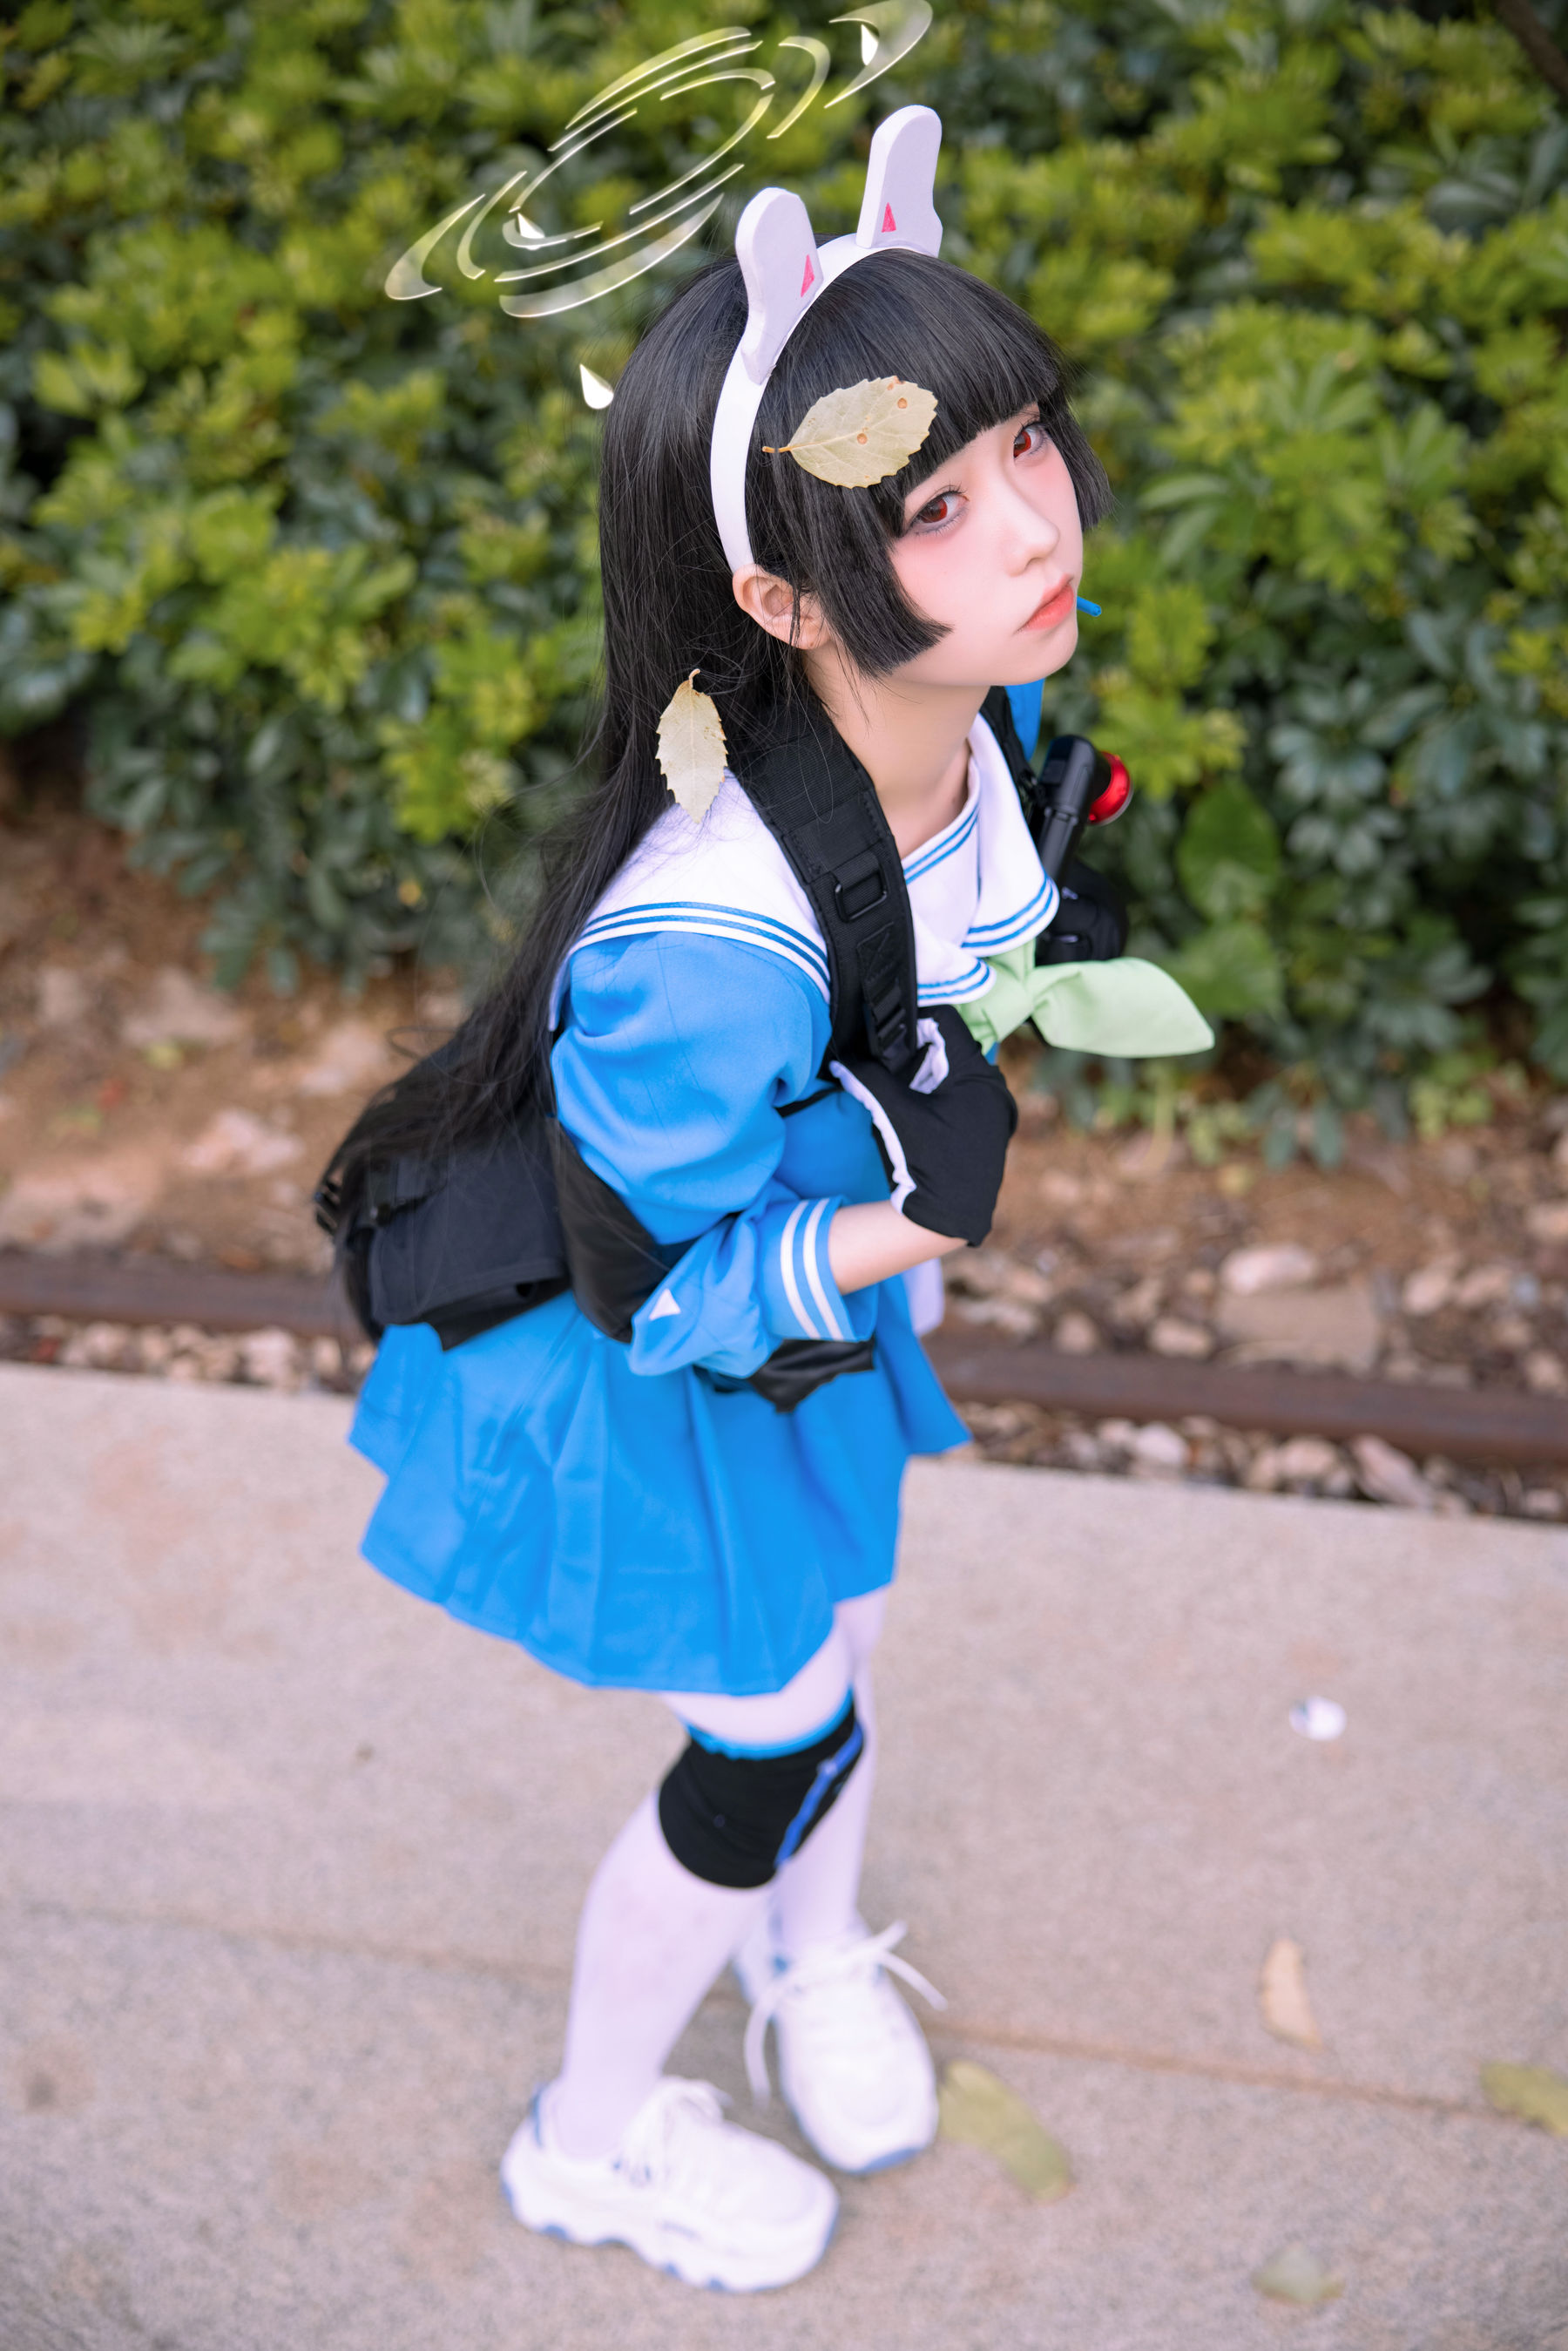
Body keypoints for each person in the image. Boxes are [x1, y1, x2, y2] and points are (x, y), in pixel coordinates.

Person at [348, 108, 1117, 2292]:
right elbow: (649, 1278)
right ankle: (588, 2138)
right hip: (667, 1364)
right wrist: (903, 1227)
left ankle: (805, 1959)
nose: (1032, 524)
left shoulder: (968, 710)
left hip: (815, 1313)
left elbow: (950, 965)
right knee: (769, 1732)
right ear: (784, 594)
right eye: (935, 506)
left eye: (1027, 445)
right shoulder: (705, 935)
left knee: (845, 1633)